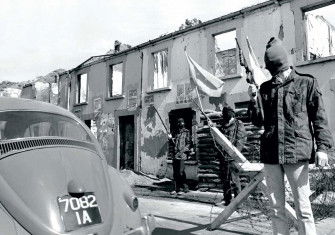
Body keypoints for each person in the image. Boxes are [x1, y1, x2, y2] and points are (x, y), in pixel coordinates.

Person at [248, 37, 334, 235]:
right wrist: (253, 99)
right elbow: (258, 121)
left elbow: (319, 118)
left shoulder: (307, 83)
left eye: (279, 73)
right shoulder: (265, 88)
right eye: (273, 74)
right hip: (270, 154)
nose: (276, 77)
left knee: (303, 208)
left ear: (285, 66)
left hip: (296, 152)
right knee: (276, 208)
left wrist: (322, 148)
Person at [218, 106, 247, 205]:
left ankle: (238, 202)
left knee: (235, 180)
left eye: (227, 113)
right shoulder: (222, 125)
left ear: (232, 114)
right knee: (225, 180)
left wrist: (234, 153)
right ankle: (227, 200)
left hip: (233, 157)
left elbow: (241, 140)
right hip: (223, 157)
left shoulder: (238, 124)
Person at [168, 118, 191, 195]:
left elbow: (189, 144)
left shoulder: (186, 132)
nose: (180, 124)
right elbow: (172, 144)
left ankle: (183, 187)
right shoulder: (175, 132)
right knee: (175, 172)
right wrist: (170, 139)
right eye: (179, 123)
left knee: (181, 172)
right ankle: (176, 188)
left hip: (182, 155)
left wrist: (183, 151)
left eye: (181, 122)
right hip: (175, 154)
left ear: (184, 123)